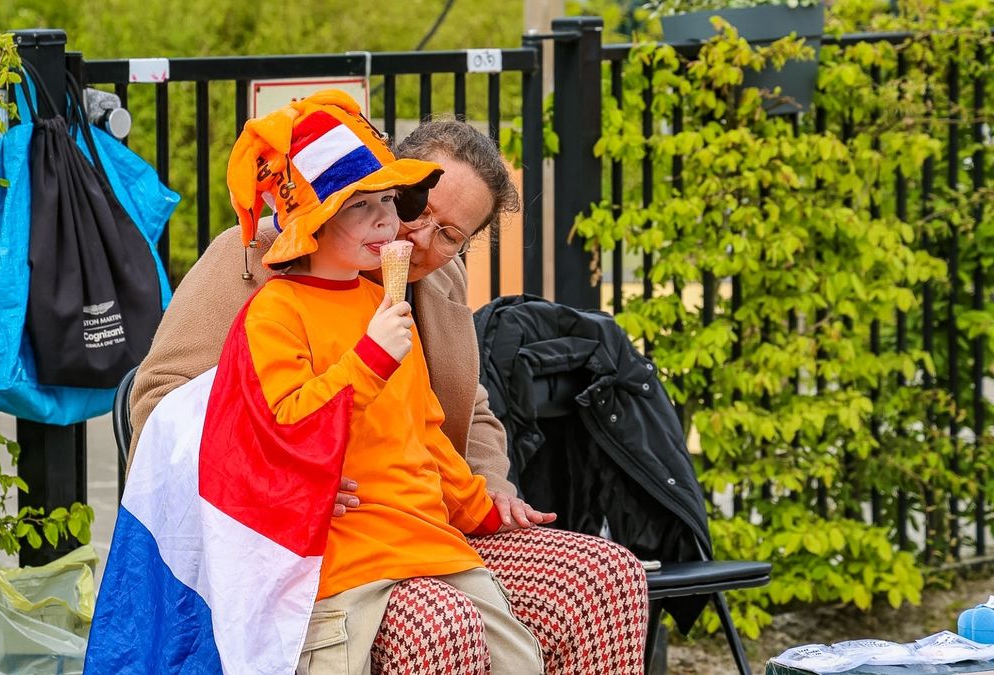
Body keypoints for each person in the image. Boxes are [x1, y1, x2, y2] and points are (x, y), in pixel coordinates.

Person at [130, 106, 649, 672]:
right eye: (414, 205)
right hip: (305, 543)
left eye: (450, 234)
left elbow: (462, 411)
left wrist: (491, 489)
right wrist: (286, 485)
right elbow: (161, 403)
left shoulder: (434, 282)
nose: (417, 234)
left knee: (604, 577)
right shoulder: (256, 264)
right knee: (438, 623)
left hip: (423, 522)